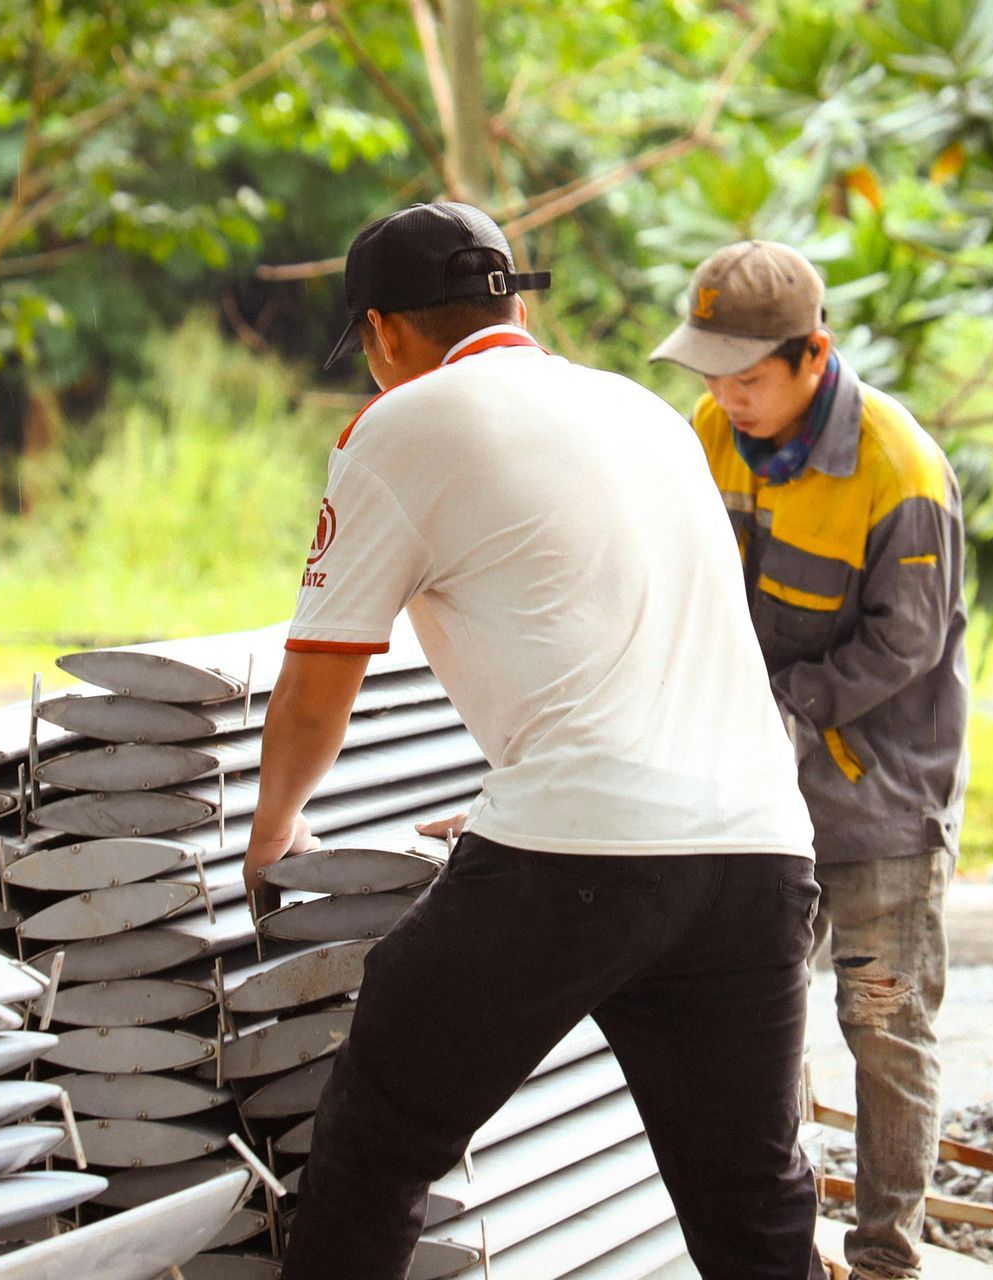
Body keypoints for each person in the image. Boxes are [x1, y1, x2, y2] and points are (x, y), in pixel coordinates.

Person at [243, 202, 828, 1280]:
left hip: (578, 859)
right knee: (752, 1204)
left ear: (380, 332)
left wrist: (273, 833)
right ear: (511, 301)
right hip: (757, 850)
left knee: (376, 1149)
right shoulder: (643, 411)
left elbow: (320, 681)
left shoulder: (405, 421)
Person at [650, 240, 970, 1280]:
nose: (727, 400)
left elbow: (906, 642)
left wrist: (782, 706)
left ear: (813, 356)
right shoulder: (711, 432)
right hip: (753, 792)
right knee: (757, 1020)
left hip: (878, 795)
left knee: (881, 1022)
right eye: (712, 378)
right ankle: (787, 1253)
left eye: (747, 379)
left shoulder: (900, 468)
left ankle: (885, 1259)